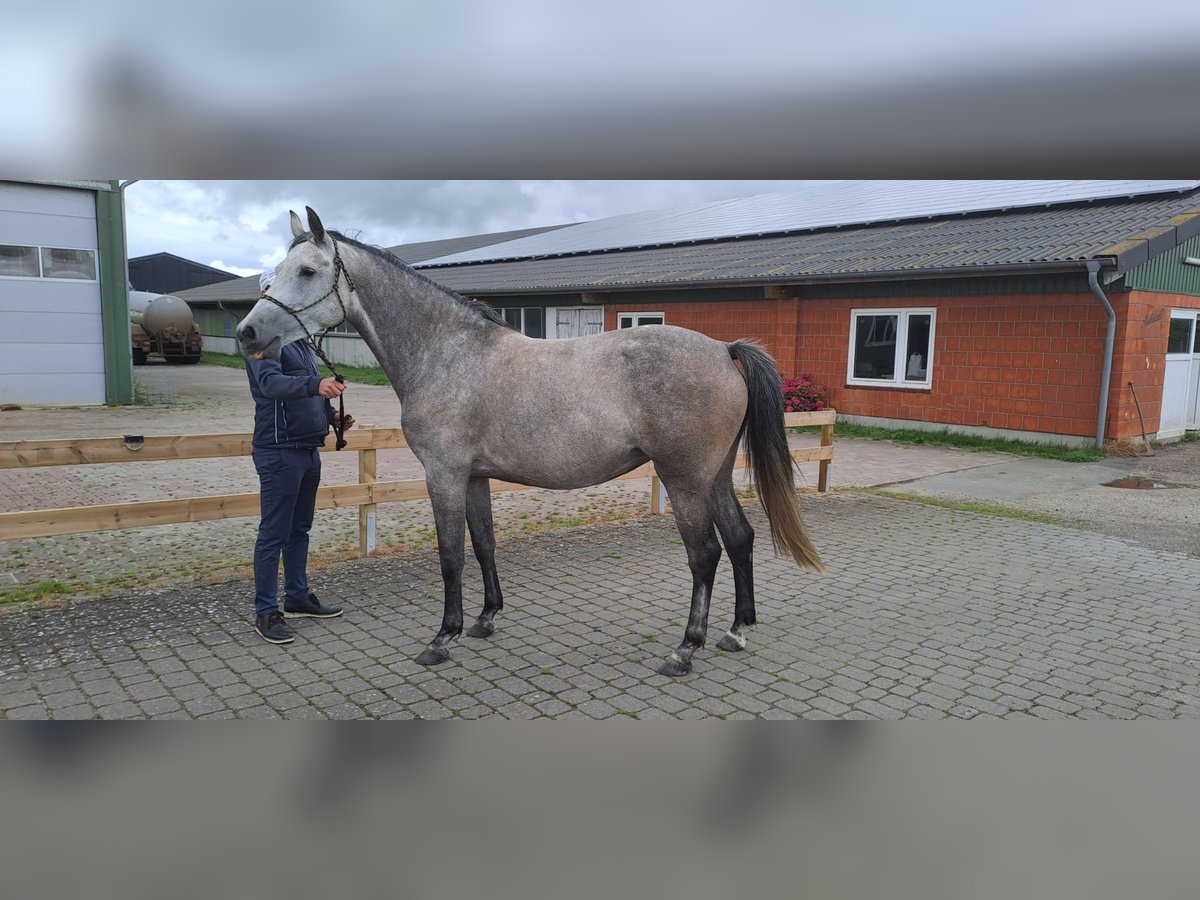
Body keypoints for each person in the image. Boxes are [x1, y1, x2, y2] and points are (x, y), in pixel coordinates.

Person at [245, 268, 354, 644]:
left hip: (307, 448)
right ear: (266, 292)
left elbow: (306, 391)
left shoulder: (299, 340)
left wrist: (331, 416)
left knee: (299, 530)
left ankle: (296, 596)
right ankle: (266, 611)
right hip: (278, 450)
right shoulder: (259, 336)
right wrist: (315, 383)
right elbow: (270, 384)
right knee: (273, 533)